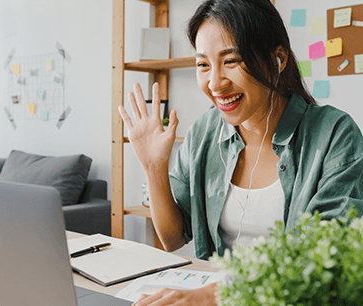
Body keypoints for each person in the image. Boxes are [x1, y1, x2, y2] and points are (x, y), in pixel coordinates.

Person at [118, 0, 363, 305]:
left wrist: (212, 296)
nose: (215, 83)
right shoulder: (204, 131)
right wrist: (153, 166)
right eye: (203, 64)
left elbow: (326, 261)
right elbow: (172, 238)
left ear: (278, 59)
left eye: (231, 61)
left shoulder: (335, 134)